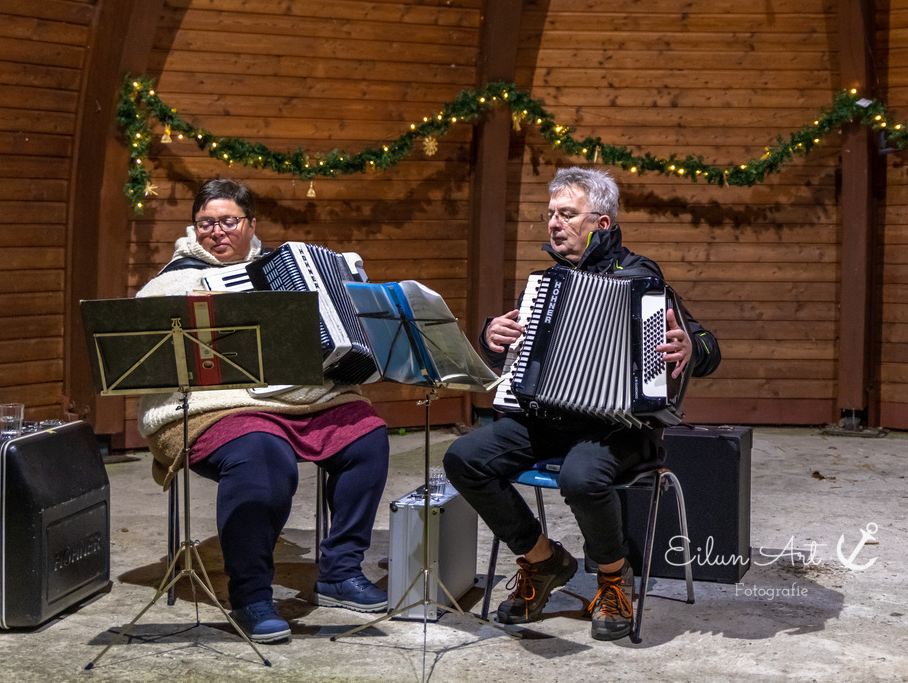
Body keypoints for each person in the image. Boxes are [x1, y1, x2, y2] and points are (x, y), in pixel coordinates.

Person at [443, 167, 721, 641]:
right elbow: (518, 359)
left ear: (602, 224)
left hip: (623, 429)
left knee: (580, 475)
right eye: (550, 214)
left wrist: (692, 349)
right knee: (463, 458)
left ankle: (614, 579)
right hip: (548, 419)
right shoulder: (543, 285)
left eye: (567, 215)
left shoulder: (641, 278)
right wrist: (493, 339)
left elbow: (708, 347)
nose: (554, 223)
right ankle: (543, 560)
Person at [135, 178, 390, 644]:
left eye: (228, 221)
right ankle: (251, 596)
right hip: (215, 408)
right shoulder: (175, 279)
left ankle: (340, 570)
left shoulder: (279, 270)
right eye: (206, 223)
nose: (217, 232)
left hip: (292, 399)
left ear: (251, 225)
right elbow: (146, 350)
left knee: (367, 434)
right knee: (262, 454)